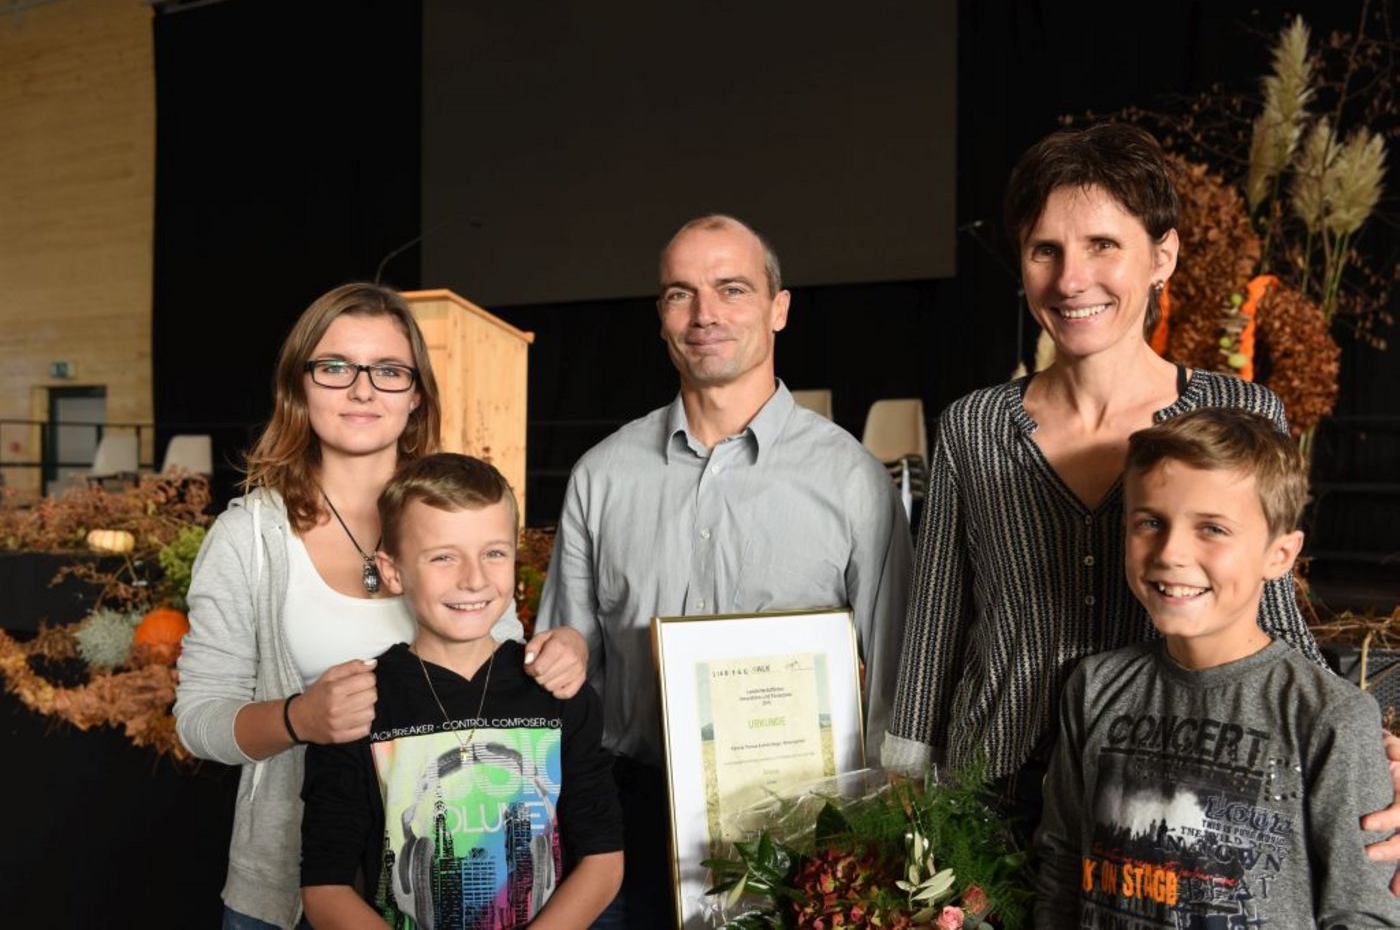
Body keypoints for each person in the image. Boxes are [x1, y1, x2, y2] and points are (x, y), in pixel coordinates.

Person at [881, 123, 1327, 826]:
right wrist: (904, 785)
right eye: (1045, 250)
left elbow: (1272, 613)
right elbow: (937, 616)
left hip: (1166, 792)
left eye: (1102, 246)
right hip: (990, 797)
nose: (1070, 279)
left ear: (1162, 255)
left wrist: (1355, 742)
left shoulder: (1238, 409)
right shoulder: (973, 426)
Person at [535, 213, 913, 926]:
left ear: (779, 307)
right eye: (681, 293)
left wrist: (881, 837)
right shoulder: (602, 476)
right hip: (626, 832)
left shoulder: (852, 481)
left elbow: (894, 673)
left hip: (803, 829)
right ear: (661, 316)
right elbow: (570, 673)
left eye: (731, 288)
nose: (705, 313)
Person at [174, 283, 581, 929]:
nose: (362, 390)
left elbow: (501, 676)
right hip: (287, 895)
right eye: (335, 367)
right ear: (299, 385)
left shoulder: (461, 514)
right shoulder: (250, 537)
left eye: (388, 371)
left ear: (416, 392)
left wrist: (560, 653)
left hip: (459, 883)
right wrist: (299, 717)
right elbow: (198, 722)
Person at [1034, 408, 1400, 926]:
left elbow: (1364, 914)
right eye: (1150, 522)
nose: (1171, 553)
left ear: (1280, 554)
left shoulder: (1331, 718)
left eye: (1212, 528)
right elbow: (1063, 865)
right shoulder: (1095, 687)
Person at [300, 453, 623, 928]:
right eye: (443, 557)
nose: (474, 578)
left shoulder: (557, 691)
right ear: (393, 572)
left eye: (494, 553)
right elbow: (325, 888)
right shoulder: (357, 705)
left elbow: (602, 860)